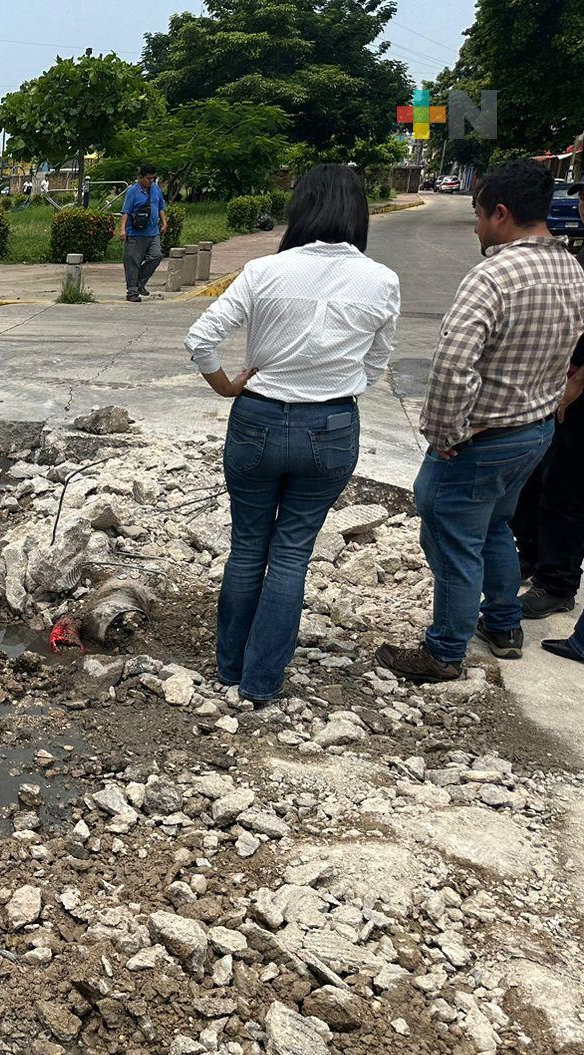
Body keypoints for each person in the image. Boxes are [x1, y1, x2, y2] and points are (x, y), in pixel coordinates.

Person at [184, 164, 400, 704]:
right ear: (359, 212)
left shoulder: (265, 271)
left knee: (248, 547)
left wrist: (226, 388)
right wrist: (335, 385)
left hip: (257, 418)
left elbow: (201, 338)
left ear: (299, 208)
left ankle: (229, 669)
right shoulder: (381, 280)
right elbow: (376, 366)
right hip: (330, 427)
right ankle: (262, 683)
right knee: (291, 554)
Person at [378, 159, 584, 682]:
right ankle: (502, 623)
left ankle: (444, 651)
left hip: (482, 436)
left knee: (450, 537)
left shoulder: (494, 274)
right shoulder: (571, 267)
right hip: (535, 430)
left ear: (500, 212)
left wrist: (445, 436)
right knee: (495, 525)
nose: (474, 226)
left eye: (476, 213)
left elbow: (453, 364)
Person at [511, 177, 584, 619]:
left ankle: (557, 582)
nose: (580, 202)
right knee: (539, 479)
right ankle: (531, 556)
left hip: (577, 394)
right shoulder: (576, 255)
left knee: (568, 492)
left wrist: (578, 381)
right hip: (557, 388)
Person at [120, 164, 167, 303]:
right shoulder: (133, 191)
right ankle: (132, 291)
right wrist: (122, 229)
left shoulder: (156, 189)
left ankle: (140, 283)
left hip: (152, 232)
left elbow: (161, 207)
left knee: (156, 256)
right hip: (135, 233)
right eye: (148, 178)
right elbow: (126, 211)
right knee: (132, 262)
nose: (150, 181)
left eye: (153, 178)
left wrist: (164, 223)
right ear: (140, 177)